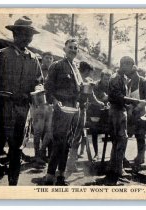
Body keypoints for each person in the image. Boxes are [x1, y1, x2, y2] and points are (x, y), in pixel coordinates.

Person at [0, 16, 43, 185]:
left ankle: (13, 186)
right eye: (24, 34)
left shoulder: (34, 59)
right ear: (15, 34)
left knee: (17, 150)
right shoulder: (2, 56)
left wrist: (38, 89)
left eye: (30, 35)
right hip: (2, 109)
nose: (27, 38)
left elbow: (39, 82)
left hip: (23, 111)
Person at [44, 38, 84, 185]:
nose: (73, 50)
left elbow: (78, 89)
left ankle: (60, 175)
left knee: (68, 142)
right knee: (58, 142)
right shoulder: (57, 66)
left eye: (75, 48)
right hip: (61, 108)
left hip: (74, 109)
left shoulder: (76, 68)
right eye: (70, 47)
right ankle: (49, 175)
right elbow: (48, 88)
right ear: (64, 49)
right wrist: (55, 102)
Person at [67, 61, 104, 171]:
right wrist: (100, 103)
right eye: (89, 72)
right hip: (75, 110)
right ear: (87, 71)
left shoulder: (84, 80)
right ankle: (68, 163)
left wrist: (99, 103)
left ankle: (70, 163)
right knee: (72, 136)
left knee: (75, 137)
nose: (90, 75)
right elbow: (92, 98)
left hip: (76, 110)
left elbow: (92, 97)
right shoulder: (77, 79)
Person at [104, 56, 135, 183]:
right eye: (130, 66)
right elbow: (116, 96)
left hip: (120, 110)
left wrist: (128, 103)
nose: (131, 69)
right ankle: (118, 171)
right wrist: (133, 101)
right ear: (124, 65)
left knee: (117, 141)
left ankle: (114, 169)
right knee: (121, 140)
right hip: (117, 111)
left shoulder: (122, 78)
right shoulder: (116, 78)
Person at [125, 65, 146, 165]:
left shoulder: (144, 82)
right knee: (127, 134)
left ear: (136, 72)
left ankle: (141, 157)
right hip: (130, 112)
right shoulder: (129, 83)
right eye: (129, 75)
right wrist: (129, 108)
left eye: (132, 73)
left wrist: (138, 107)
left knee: (140, 135)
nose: (131, 76)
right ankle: (123, 157)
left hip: (140, 112)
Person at [31, 52, 54, 165]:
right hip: (39, 104)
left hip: (50, 105)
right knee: (38, 131)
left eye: (51, 58)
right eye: (47, 58)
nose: (49, 60)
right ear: (42, 59)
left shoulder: (54, 71)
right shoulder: (38, 70)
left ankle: (41, 152)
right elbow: (34, 84)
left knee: (49, 131)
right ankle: (37, 155)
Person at [89, 69, 112, 160]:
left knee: (113, 128)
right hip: (95, 111)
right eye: (105, 79)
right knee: (95, 130)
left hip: (106, 112)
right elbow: (103, 97)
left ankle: (114, 154)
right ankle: (96, 153)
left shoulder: (110, 86)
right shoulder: (96, 85)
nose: (107, 81)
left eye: (108, 79)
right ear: (101, 78)